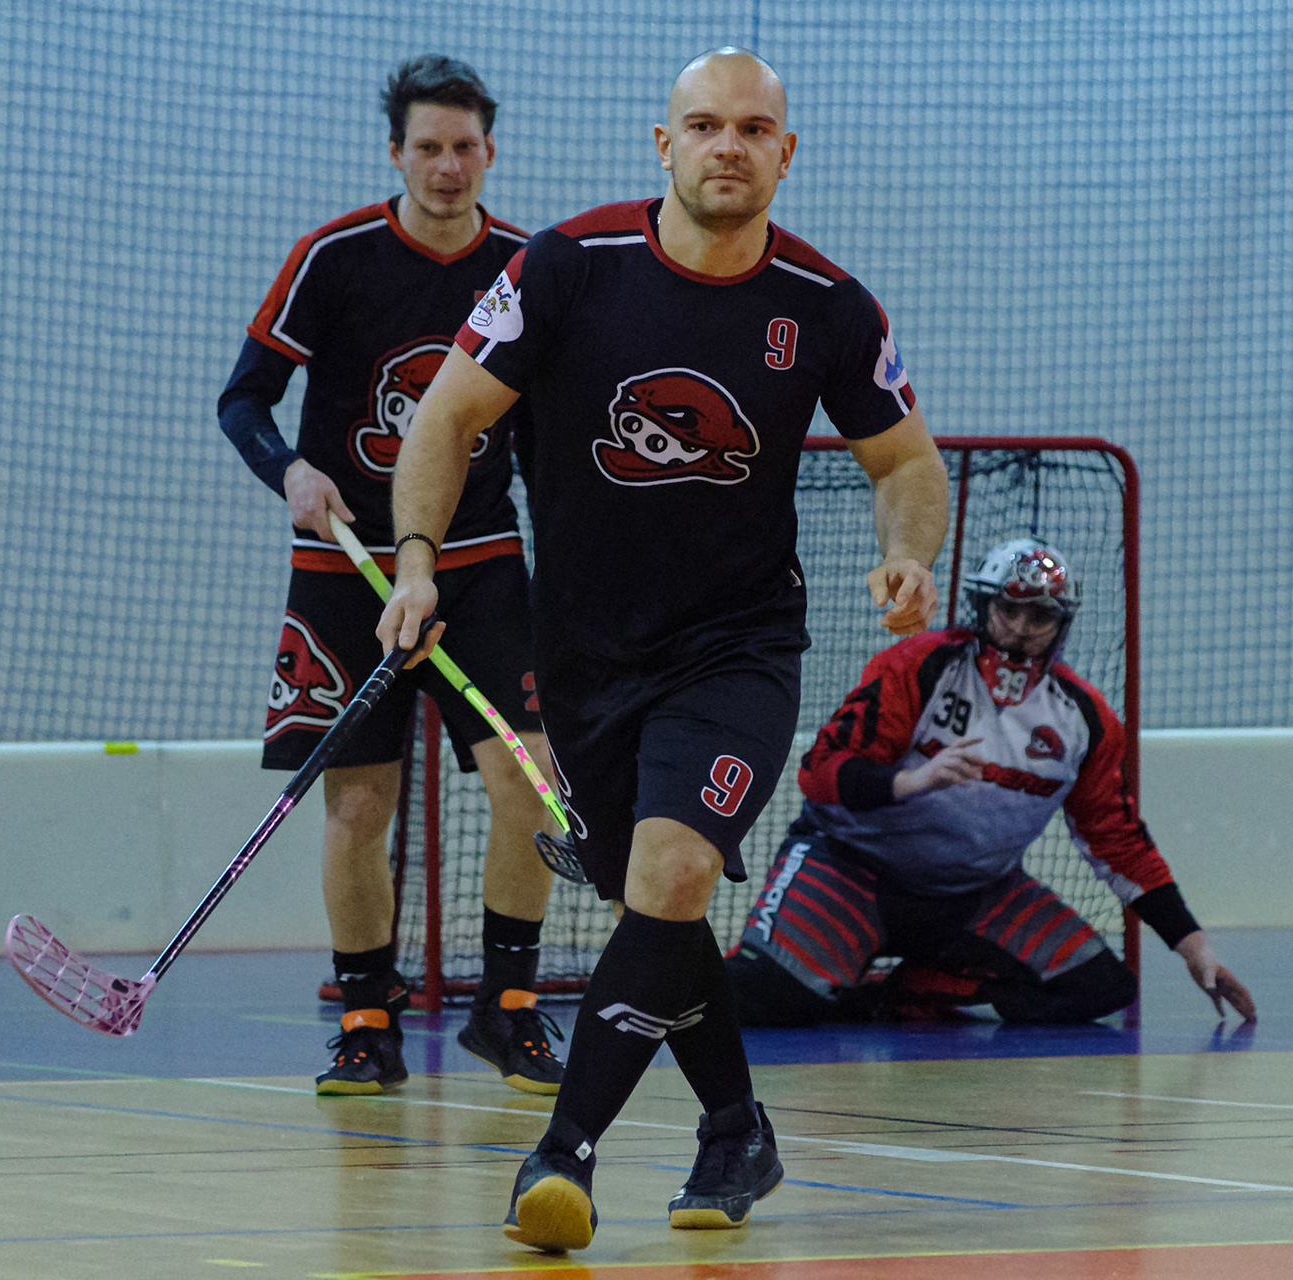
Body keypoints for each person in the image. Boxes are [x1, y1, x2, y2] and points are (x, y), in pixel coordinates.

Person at [376, 48, 949, 1253]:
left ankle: (564, 1153)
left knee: (675, 869)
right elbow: (448, 414)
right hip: (585, 658)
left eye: (752, 129)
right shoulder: (569, 266)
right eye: (704, 125)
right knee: (659, 904)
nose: (727, 146)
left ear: (785, 151)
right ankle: (736, 1125)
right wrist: (418, 560)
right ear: (664, 143)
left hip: (737, 648)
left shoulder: (827, 303)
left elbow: (904, 458)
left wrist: (908, 552)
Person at [217, 55, 564, 1098]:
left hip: (479, 563)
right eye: (428, 147)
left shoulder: (526, 268)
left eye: (465, 147)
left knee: (530, 783)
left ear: (490, 151)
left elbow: (545, 428)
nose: (448, 166)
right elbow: (244, 398)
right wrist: (290, 470)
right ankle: (367, 1020)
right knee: (359, 804)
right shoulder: (334, 257)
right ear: (395, 154)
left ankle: (507, 1007)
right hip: (347, 568)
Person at [726, 538, 1258, 1028]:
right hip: (848, 867)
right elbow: (819, 773)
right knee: (755, 996)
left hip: (975, 893)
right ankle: (821, 981)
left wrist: (1193, 947)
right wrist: (910, 782)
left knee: (1101, 989)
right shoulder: (919, 664)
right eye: (1010, 609)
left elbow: (1118, 840)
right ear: (984, 607)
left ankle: (899, 990)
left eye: (1041, 615)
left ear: (1062, 623)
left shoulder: (1085, 718)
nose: (1022, 628)